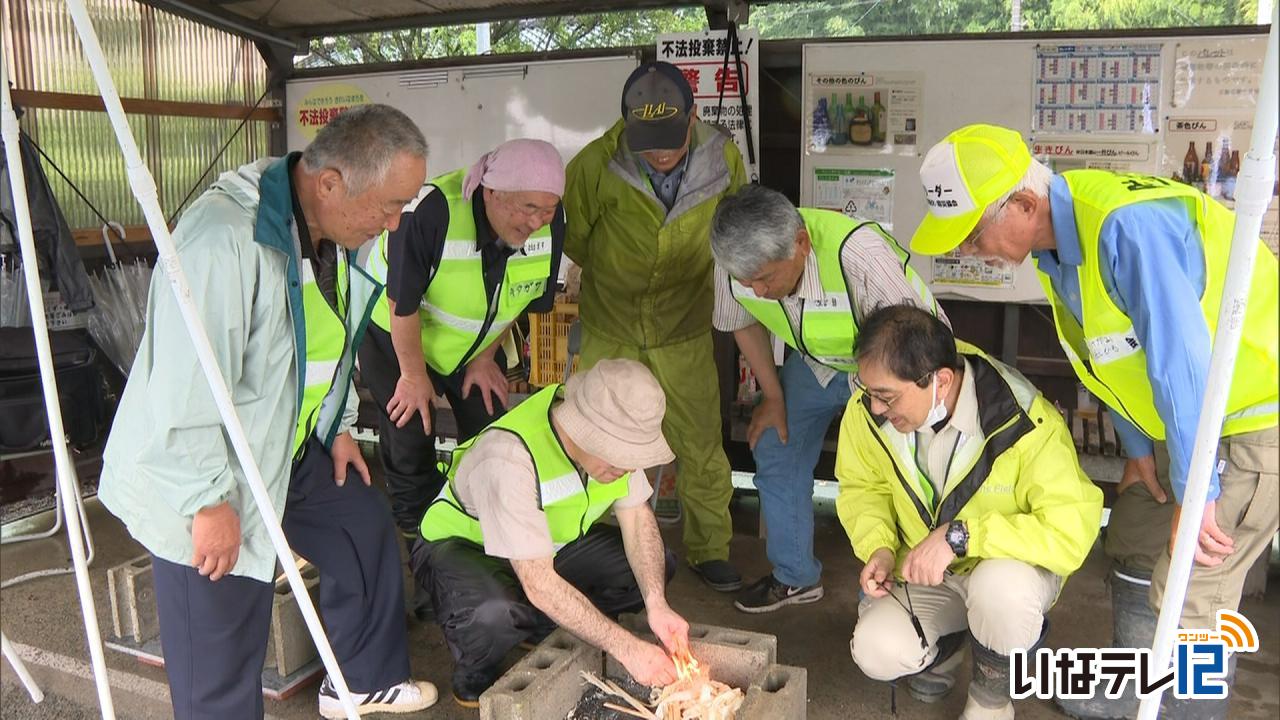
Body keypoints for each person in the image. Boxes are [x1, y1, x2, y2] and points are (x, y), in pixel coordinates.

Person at [910, 124, 1278, 719]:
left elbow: (1184, 360)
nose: (969, 249)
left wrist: (1194, 490)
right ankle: (1135, 699)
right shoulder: (1061, 248)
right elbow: (1112, 355)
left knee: (1192, 592)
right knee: (1133, 540)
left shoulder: (1125, 228)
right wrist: (1137, 453)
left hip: (1249, 415)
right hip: (1174, 424)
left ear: (1026, 205)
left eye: (974, 233)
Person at [98, 105, 437, 719]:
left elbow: (321, 349)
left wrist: (332, 426)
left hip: (278, 442)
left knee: (357, 521)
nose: (393, 225)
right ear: (330, 182)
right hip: (200, 468)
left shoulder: (338, 236)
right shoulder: (225, 239)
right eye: (388, 207)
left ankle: (359, 680)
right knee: (223, 646)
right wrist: (206, 502)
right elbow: (185, 386)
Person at [837, 305, 1103, 720]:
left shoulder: (1023, 419)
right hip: (927, 573)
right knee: (876, 649)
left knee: (1001, 595)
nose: (874, 407)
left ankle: (991, 694)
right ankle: (950, 647)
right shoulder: (867, 411)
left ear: (940, 381)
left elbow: (1069, 530)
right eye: (868, 391)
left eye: (886, 397)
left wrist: (960, 536)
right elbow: (862, 488)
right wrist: (880, 548)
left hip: (1003, 573)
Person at [708, 185, 946, 613]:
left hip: (902, 367)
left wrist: (878, 406)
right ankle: (795, 576)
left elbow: (914, 348)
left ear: (801, 243)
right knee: (774, 444)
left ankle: (891, 585)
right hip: (817, 362)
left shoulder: (859, 255)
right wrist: (774, 395)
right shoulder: (734, 263)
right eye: (748, 282)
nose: (758, 291)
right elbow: (742, 321)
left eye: (766, 278)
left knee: (899, 466)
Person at [564, 61, 748, 592]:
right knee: (599, 440)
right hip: (612, 325)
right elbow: (574, 238)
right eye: (648, 142)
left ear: (694, 117)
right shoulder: (596, 163)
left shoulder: (723, 157)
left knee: (700, 444)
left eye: (670, 139)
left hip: (684, 328)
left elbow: (734, 230)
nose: (661, 153)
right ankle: (599, 551)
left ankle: (709, 548)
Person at [410, 359, 690, 707]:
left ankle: (539, 623)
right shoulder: (510, 457)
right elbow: (539, 581)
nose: (627, 468)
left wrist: (657, 604)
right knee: (493, 615)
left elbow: (637, 518)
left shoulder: (614, 451)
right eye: (620, 456)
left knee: (655, 565)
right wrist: (626, 647)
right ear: (584, 430)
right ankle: (476, 667)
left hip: (545, 548)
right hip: (466, 548)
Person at [360, 139, 566, 541]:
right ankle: (417, 530)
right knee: (410, 427)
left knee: (491, 426)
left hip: (474, 347)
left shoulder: (551, 224)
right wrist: (415, 377)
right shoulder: (429, 212)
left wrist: (485, 358)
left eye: (548, 209)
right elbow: (401, 304)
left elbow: (520, 300)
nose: (537, 222)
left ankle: (475, 519)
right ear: (491, 193)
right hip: (396, 340)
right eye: (528, 208)